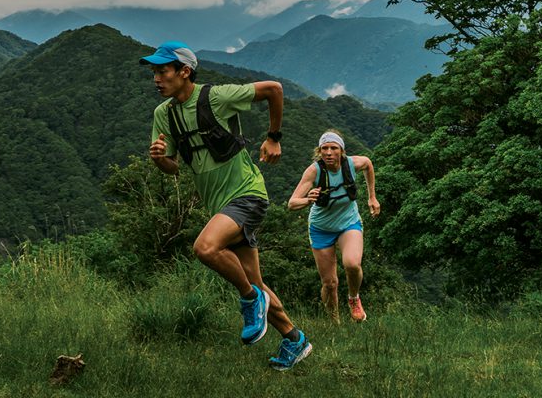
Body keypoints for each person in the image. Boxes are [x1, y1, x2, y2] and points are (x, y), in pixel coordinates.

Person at [142, 40, 311, 372]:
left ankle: (249, 300)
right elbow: (174, 168)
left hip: (247, 194)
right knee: (256, 281)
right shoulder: (164, 115)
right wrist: (161, 159)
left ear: (184, 71)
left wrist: (274, 136)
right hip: (220, 206)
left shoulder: (215, 97)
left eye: (163, 71)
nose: (156, 79)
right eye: (154, 73)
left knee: (205, 247)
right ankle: (295, 340)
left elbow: (274, 89)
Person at [287, 130, 379, 322]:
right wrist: (307, 200)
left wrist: (372, 197)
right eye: (324, 148)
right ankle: (334, 321)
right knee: (329, 283)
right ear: (319, 151)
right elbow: (292, 203)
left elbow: (368, 164)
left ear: (341, 151)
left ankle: (353, 299)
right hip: (321, 228)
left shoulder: (352, 164)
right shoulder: (315, 171)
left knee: (352, 264)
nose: (328, 152)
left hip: (348, 222)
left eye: (333, 148)